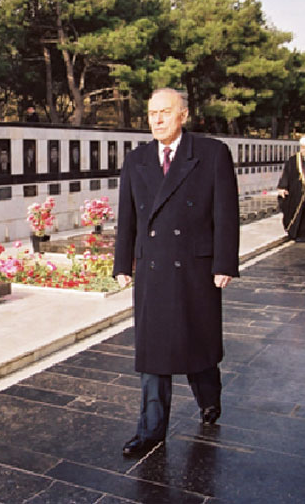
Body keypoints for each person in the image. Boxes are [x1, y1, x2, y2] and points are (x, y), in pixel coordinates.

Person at [113, 88, 239, 456]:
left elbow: (226, 213)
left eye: (165, 112)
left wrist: (224, 262)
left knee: (197, 343)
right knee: (154, 352)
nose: (157, 119)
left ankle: (208, 398)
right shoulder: (136, 159)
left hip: (195, 267)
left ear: (183, 114)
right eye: (152, 113)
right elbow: (128, 218)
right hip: (154, 267)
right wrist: (123, 263)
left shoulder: (210, 153)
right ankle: (151, 430)